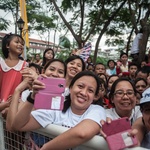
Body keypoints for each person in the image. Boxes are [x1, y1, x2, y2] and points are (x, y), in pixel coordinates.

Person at [7, 71, 106, 150]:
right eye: (80, 86)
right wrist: (32, 98)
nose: (84, 93)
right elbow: (19, 125)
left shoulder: (97, 111)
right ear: (70, 88)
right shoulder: (56, 107)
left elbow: (81, 133)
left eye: (90, 90)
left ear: (95, 97)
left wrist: (45, 148)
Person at [0, 33, 28, 113]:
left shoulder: (24, 65)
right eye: (17, 42)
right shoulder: (1, 64)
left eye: (22, 44)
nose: (20, 45)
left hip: (16, 104)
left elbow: (25, 84)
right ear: (7, 45)